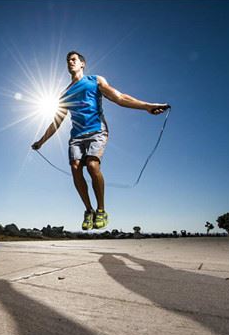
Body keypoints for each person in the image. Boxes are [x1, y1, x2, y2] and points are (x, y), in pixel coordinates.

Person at [32, 51, 169, 230]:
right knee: (75, 167)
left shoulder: (95, 80)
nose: (70, 62)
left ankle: (101, 210)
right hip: (76, 137)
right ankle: (88, 211)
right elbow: (57, 121)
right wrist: (41, 142)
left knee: (92, 166)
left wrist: (147, 107)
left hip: (97, 131)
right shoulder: (65, 93)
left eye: (73, 60)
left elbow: (119, 97)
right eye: (68, 61)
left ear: (82, 64)